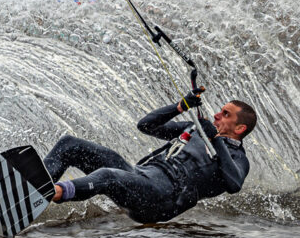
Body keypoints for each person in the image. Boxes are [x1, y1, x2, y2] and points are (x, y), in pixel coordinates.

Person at [44, 89, 256, 224]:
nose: (217, 115)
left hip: (161, 199)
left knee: (107, 176)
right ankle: (33, 184)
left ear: (240, 128)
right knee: (70, 145)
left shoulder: (238, 158)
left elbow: (234, 184)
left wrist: (215, 139)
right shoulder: (195, 129)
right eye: (220, 111)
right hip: (140, 176)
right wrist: (181, 106)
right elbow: (146, 125)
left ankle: (49, 193)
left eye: (226, 114)